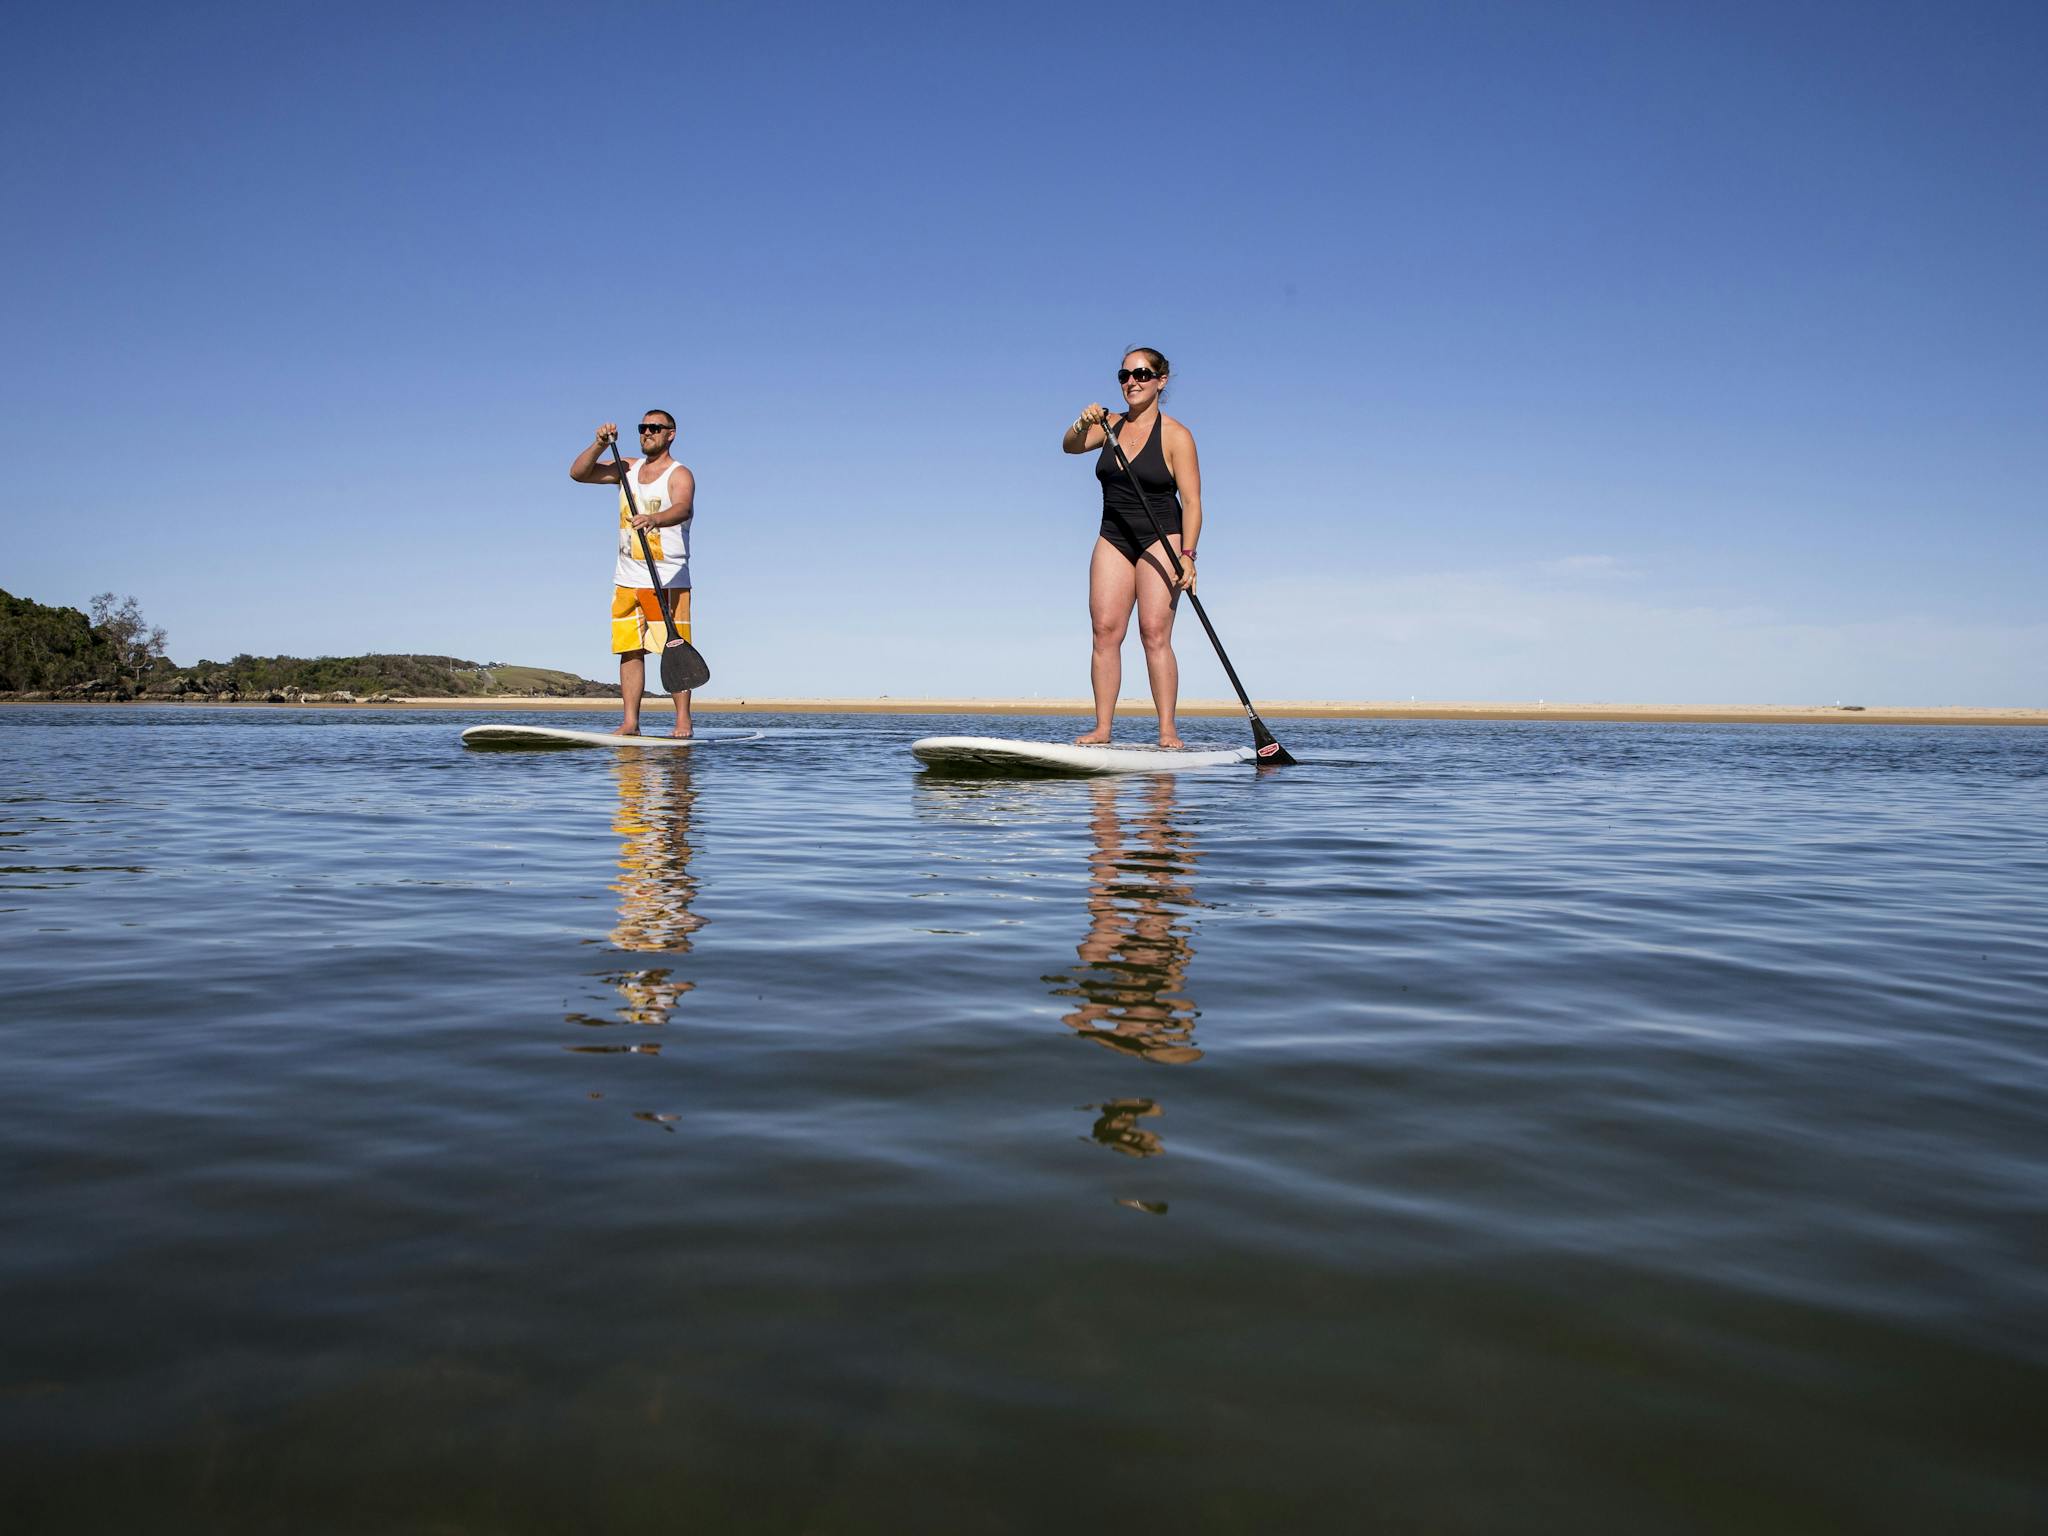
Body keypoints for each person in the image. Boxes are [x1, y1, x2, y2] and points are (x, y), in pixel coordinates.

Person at [1061, 348, 1202, 748]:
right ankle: (1103, 728)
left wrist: (1188, 557)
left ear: (1161, 381)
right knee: (1105, 632)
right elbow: (1069, 446)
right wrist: (1081, 421)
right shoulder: (1107, 424)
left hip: (1162, 537)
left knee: (1154, 633)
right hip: (1113, 535)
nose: (1131, 382)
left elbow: (1192, 503)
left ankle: (1167, 731)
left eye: (1141, 374)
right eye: (1124, 375)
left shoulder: (1177, 436)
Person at [569, 411, 696, 737]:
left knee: (673, 646)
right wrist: (598, 445)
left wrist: (657, 519)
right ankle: (630, 722)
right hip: (627, 578)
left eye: (655, 428)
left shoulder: (679, 474)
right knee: (630, 650)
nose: (647, 433)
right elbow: (579, 474)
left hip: (666, 578)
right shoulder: (627, 468)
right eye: (643, 428)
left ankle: (683, 720)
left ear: (671, 434)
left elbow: (683, 508)